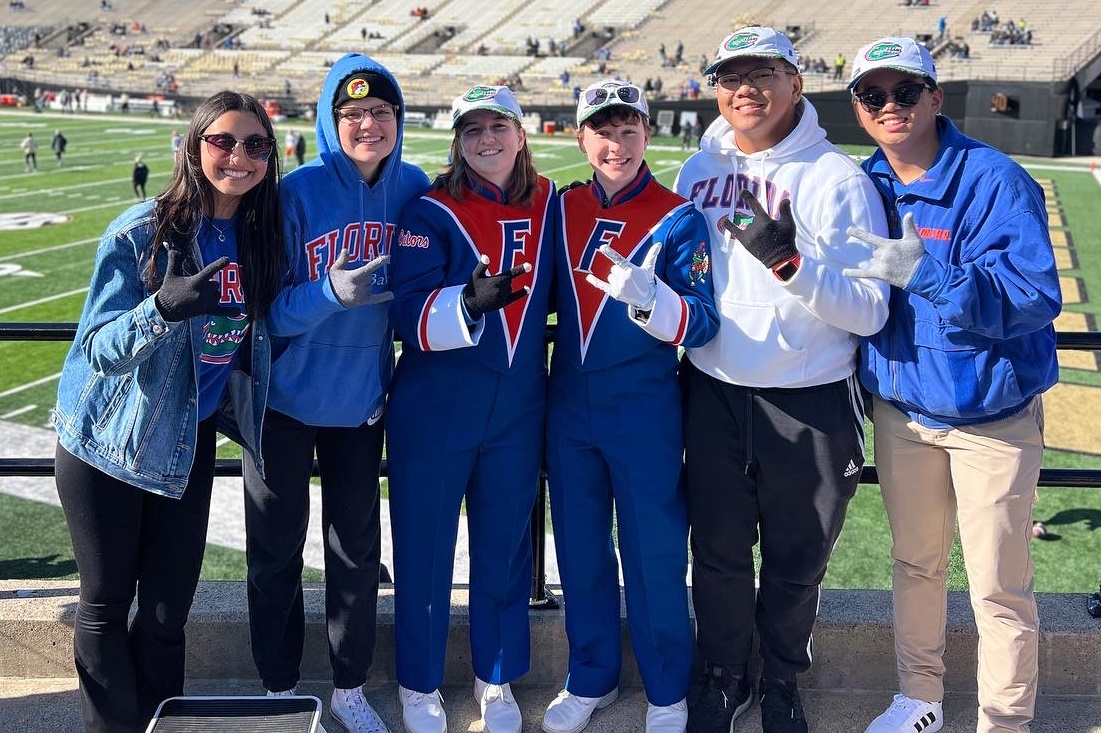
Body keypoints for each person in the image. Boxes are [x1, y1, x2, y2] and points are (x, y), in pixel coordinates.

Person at [673, 26, 890, 733]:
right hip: (711, 390)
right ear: (714, 90)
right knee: (717, 553)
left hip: (810, 400)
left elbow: (869, 309)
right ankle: (721, 674)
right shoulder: (695, 171)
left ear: (796, 82)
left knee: (796, 561)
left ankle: (781, 679)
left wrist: (790, 263)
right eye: (731, 76)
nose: (747, 88)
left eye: (763, 73)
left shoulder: (837, 179)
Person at [844, 37, 1061, 733]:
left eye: (904, 91)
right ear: (857, 109)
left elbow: (1034, 295)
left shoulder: (994, 178)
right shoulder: (861, 183)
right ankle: (921, 696)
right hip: (902, 412)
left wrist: (932, 276)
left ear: (935, 97)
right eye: (872, 95)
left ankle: (1003, 721)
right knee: (914, 564)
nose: (890, 106)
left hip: (990, 416)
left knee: (998, 587)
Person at [52, 89, 285, 733]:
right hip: (110, 441)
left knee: (165, 615)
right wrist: (159, 310)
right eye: (223, 142)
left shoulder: (260, 237)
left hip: (189, 438)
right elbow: (94, 352)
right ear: (193, 147)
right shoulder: (140, 231)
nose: (239, 156)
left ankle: (162, 725)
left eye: (255, 145)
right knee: (104, 604)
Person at [242, 53, 429, 733]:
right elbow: (265, 310)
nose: (369, 124)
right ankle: (278, 684)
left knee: (355, 551)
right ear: (330, 120)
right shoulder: (296, 192)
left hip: (360, 405)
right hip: (284, 400)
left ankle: (349, 684)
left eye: (381, 112)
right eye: (353, 114)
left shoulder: (414, 187)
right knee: (275, 550)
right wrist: (327, 293)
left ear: (398, 120)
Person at [542, 80, 719, 733]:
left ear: (646, 133)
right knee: (581, 549)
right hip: (567, 407)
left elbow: (700, 324)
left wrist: (652, 299)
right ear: (581, 137)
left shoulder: (679, 215)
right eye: (602, 130)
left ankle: (667, 687)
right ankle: (590, 674)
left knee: (654, 553)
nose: (614, 144)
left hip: (644, 405)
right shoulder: (558, 209)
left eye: (627, 129)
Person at [387, 84, 555, 733]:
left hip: (517, 407)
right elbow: (405, 312)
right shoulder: (428, 209)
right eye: (472, 130)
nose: (487, 140)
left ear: (520, 133)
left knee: (506, 549)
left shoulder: (550, 202)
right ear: (457, 141)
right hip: (435, 408)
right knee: (424, 550)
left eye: (498, 127)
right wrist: (464, 302)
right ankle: (418, 680)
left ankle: (496, 675)